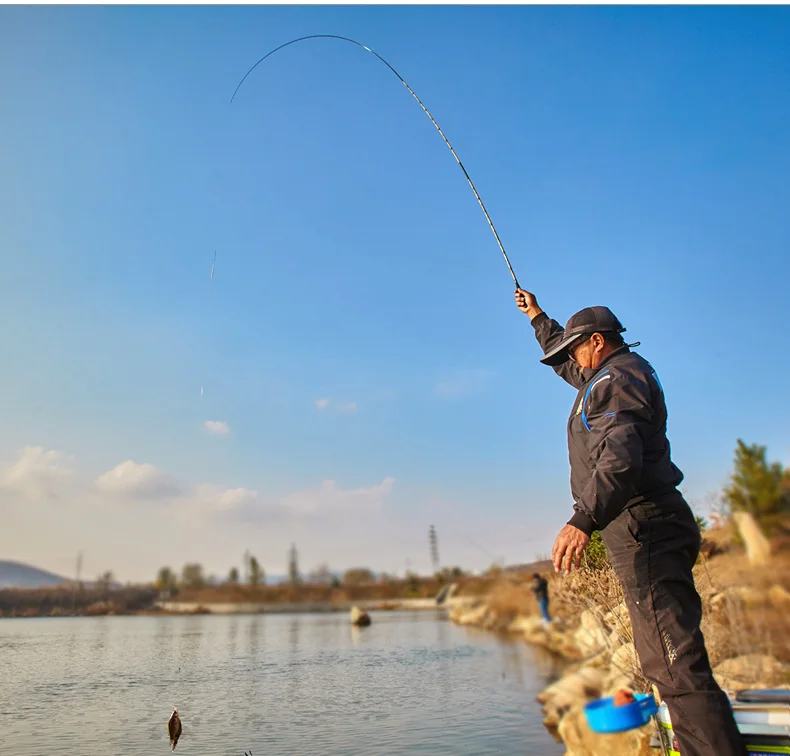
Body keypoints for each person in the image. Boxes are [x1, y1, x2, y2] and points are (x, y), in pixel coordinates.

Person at [514, 288, 747, 756]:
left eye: (576, 347)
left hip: (645, 526)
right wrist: (538, 317)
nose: (572, 360)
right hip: (643, 526)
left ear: (596, 341)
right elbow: (568, 366)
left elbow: (621, 456)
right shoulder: (606, 377)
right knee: (667, 663)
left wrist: (582, 519)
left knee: (674, 666)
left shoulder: (617, 381)